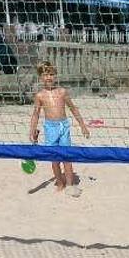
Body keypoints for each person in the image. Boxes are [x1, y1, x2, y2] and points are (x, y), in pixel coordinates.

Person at [29, 61, 90, 197]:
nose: (49, 77)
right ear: (40, 77)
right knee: (54, 158)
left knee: (67, 157)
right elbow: (36, 114)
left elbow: (73, 108)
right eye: (45, 75)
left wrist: (82, 125)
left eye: (51, 74)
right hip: (50, 128)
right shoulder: (40, 96)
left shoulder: (62, 92)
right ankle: (60, 182)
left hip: (63, 126)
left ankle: (69, 184)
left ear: (55, 75)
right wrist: (32, 130)